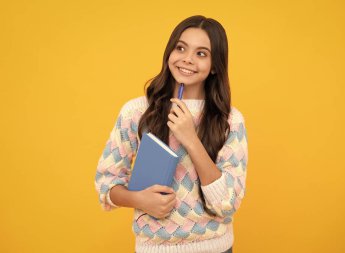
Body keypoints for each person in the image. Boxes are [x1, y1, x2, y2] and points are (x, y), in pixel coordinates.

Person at [95, 15, 248, 253]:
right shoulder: (136, 112)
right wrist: (140, 200)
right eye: (181, 48)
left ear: (215, 65)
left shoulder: (230, 120)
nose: (187, 59)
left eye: (201, 53)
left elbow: (227, 204)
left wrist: (190, 138)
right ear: (169, 53)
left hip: (216, 248)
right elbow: (106, 184)